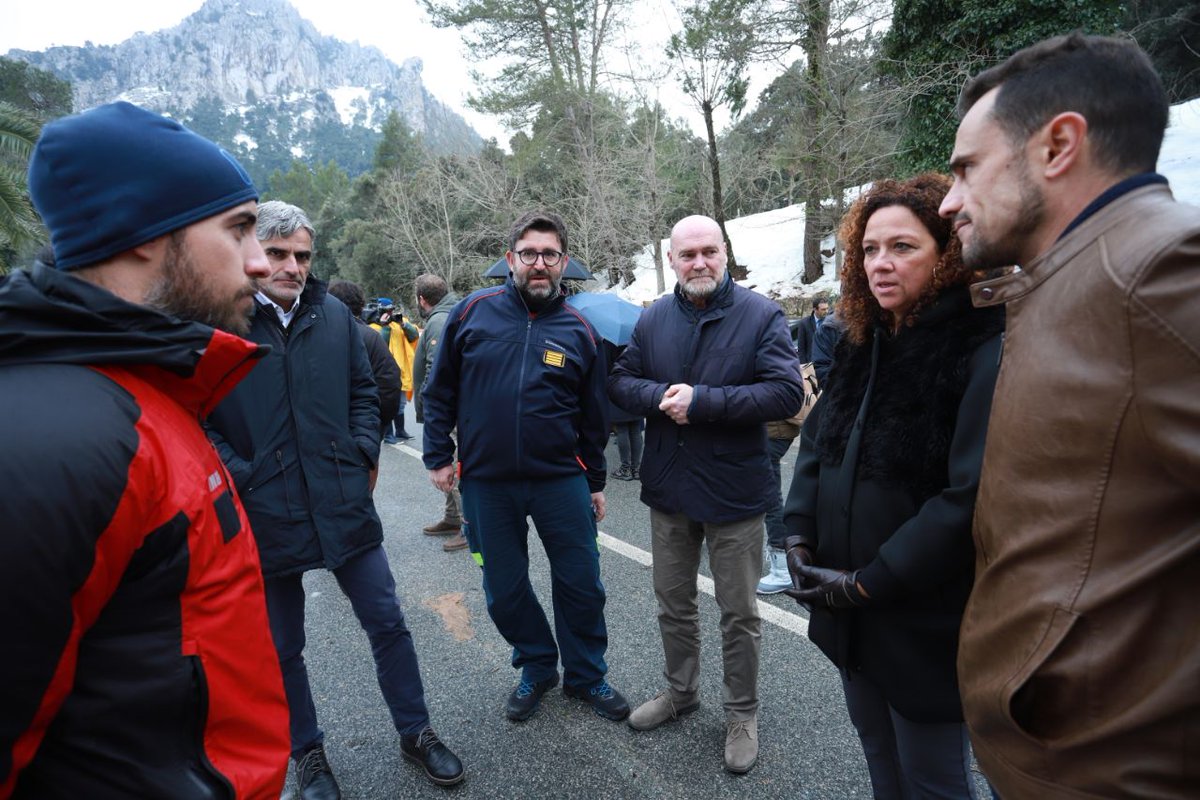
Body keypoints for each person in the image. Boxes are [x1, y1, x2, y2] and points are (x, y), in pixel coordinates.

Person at [0, 101, 290, 796]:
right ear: (142, 232)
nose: (259, 263)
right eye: (239, 229)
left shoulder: (141, 391)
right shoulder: (65, 439)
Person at [938, 34, 1200, 798]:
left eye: (966, 168)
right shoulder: (1065, 276)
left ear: (1058, 145)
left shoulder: (1158, 270)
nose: (950, 199)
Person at [205, 201, 464, 796]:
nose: (292, 266)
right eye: (278, 254)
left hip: (342, 500)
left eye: (301, 255)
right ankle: (308, 752)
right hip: (263, 510)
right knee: (283, 646)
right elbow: (198, 418)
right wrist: (242, 474)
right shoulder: (221, 322)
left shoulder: (333, 318)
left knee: (387, 622)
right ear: (252, 254)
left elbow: (364, 387)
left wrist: (362, 454)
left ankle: (416, 731)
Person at [782, 174, 1003, 799]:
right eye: (870, 249)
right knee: (877, 751)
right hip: (847, 609)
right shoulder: (863, 341)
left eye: (902, 247)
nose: (880, 264)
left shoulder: (981, 348)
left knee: (933, 779)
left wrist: (867, 582)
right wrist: (798, 535)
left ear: (947, 253)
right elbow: (818, 449)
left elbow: (968, 499)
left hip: (923, 618)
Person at [609, 214, 804, 774]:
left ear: (725, 254)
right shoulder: (653, 320)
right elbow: (621, 381)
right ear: (671, 260)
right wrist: (661, 395)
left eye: (708, 252)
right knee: (674, 604)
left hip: (734, 492)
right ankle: (681, 692)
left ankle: (741, 713)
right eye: (687, 254)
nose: (698, 262)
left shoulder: (760, 314)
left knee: (739, 612)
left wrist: (705, 401)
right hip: (669, 487)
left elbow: (786, 392)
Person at [422, 211, 629, 724]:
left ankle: (587, 675)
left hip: (561, 480)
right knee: (504, 587)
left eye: (550, 255)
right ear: (510, 257)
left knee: (582, 583)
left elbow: (594, 418)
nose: (540, 264)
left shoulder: (579, 330)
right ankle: (536, 665)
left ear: (564, 263)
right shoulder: (472, 312)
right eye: (529, 254)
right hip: (487, 483)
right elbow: (439, 389)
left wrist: (596, 484)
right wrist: (436, 457)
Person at [328, 280, 402, 493]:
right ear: (360, 305)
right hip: (365, 429)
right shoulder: (371, 336)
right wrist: (376, 426)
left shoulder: (317, 335)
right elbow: (389, 382)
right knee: (362, 495)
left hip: (328, 431)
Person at [411, 273, 466, 551]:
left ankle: (469, 527)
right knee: (451, 461)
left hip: (448, 412)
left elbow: (436, 373)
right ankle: (453, 517)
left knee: (453, 465)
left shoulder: (438, 321)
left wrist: (431, 406)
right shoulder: (448, 314)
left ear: (422, 299)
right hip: (450, 409)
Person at [372, 300, 419, 443]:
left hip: (401, 369)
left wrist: (403, 325)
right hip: (385, 372)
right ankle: (388, 434)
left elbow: (414, 336)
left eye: (391, 310)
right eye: (387, 311)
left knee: (401, 403)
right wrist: (385, 327)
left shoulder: (400, 322)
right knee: (388, 403)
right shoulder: (374, 326)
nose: (390, 313)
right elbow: (380, 345)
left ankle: (400, 430)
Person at [605, 342, 645, 481]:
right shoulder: (638, 338)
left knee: (622, 429)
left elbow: (605, 365)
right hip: (636, 387)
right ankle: (636, 469)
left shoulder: (609, 343)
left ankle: (625, 469)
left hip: (618, 387)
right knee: (635, 429)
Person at [794, 294, 829, 362]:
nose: (826, 311)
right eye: (823, 309)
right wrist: (804, 367)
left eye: (827, 308)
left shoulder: (830, 322)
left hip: (828, 364)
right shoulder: (804, 323)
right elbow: (801, 348)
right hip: (811, 364)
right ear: (815, 309)